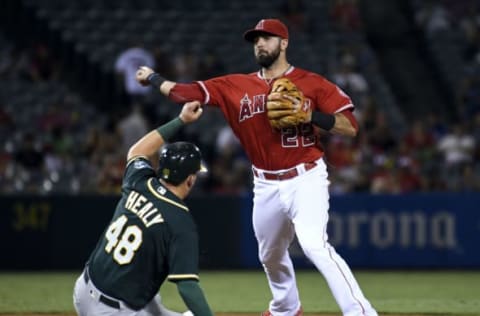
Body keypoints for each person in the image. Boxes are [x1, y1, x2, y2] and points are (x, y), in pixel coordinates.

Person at [136, 18, 377, 316]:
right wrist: (153, 77)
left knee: (315, 245)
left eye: (267, 38)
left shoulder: (313, 83)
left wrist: (309, 113)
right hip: (265, 183)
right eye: (256, 39)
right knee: (269, 254)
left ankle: (361, 312)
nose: (260, 43)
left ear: (284, 43)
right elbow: (182, 93)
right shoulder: (233, 86)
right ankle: (286, 308)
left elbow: (350, 126)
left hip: (306, 177)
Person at [73, 101, 214, 316]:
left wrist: (181, 120)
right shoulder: (181, 222)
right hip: (114, 311)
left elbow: (137, 150)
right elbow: (188, 287)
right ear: (190, 179)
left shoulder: (139, 180)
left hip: (83, 291)